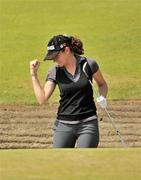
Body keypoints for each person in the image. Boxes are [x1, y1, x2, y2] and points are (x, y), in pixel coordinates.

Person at [30, 34, 108, 148]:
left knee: (85, 159)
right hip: (63, 124)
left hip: (88, 123)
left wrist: (102, 97)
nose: (54, 60)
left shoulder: (88, 64)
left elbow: (102, 84)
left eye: (56, 56)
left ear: (66, 50)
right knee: (60, 162)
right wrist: (33, 74)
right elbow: (42, 99)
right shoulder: (55, 71)